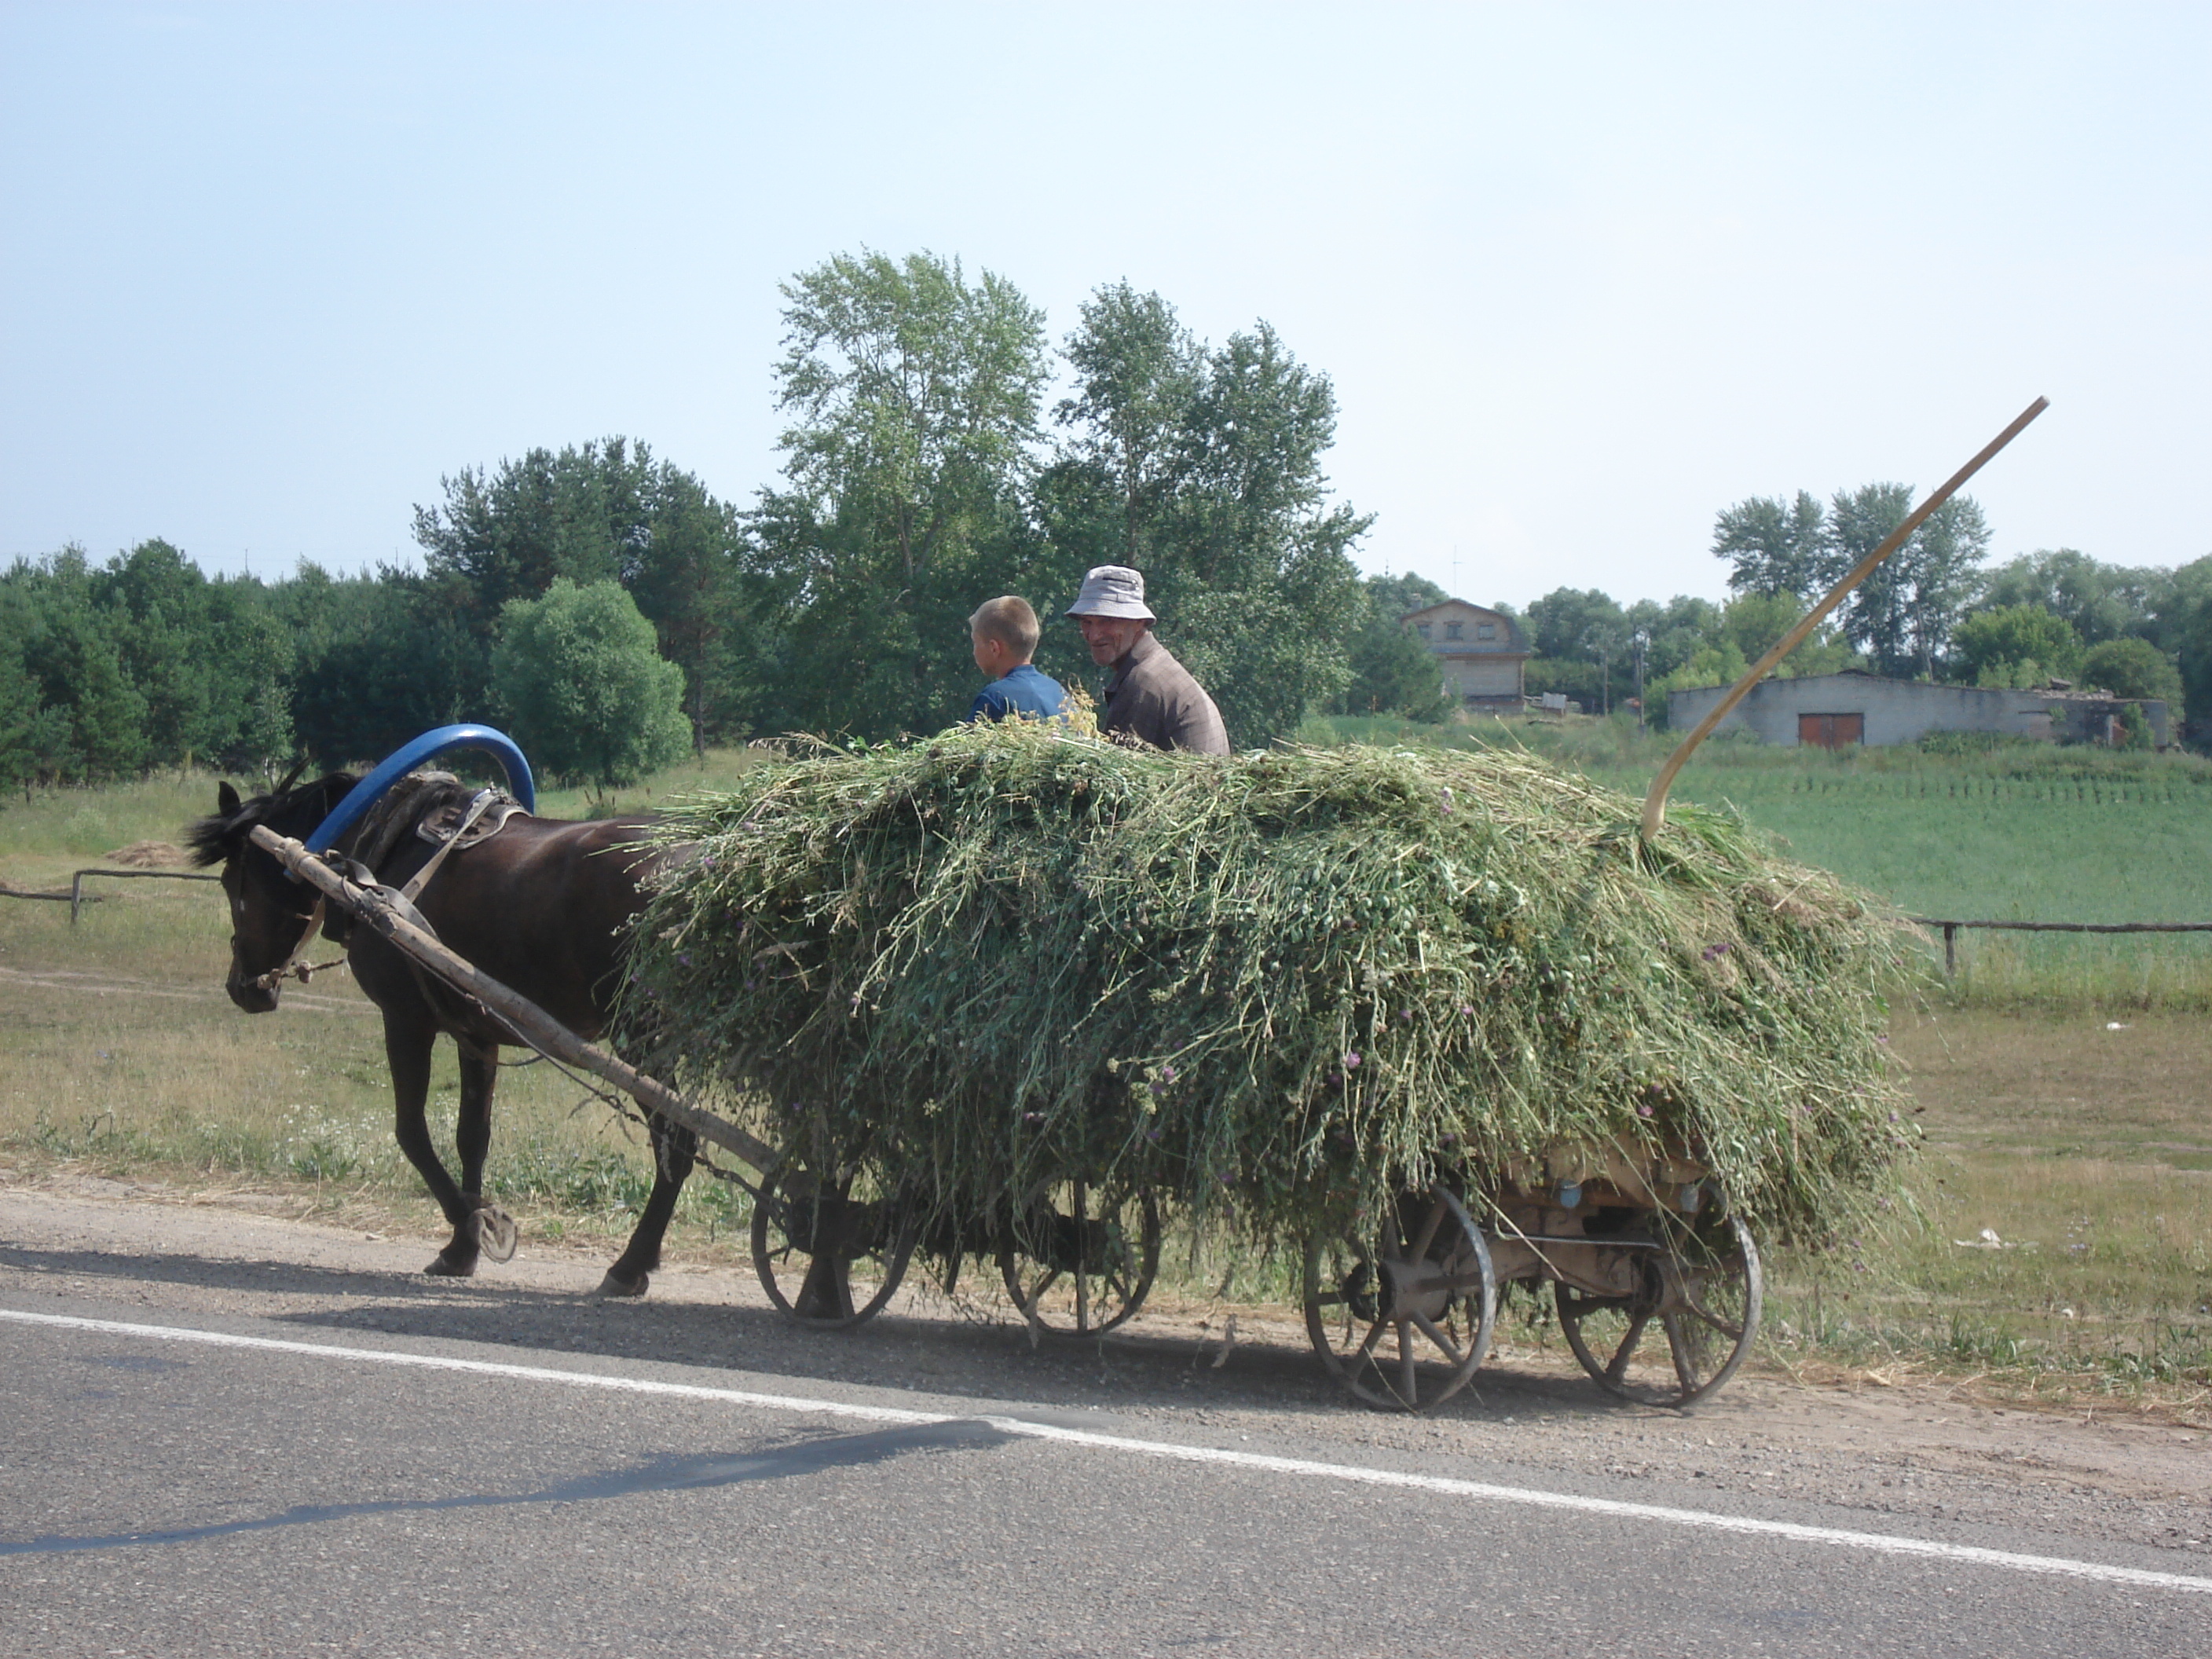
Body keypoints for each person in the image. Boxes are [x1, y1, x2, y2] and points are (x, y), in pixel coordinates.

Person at [1064, 565, 1229, 755]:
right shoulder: (1156, 668)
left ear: (1138, 622)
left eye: (1107, 621)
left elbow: (1116, 772)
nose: (1093, 635)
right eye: (1087, 622)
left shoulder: (1143, 684)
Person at [968, 595, 1071, 724]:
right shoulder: (1060, 693)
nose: (974, 651)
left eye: (975, 642)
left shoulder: (995, 699)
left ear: (994, 648)